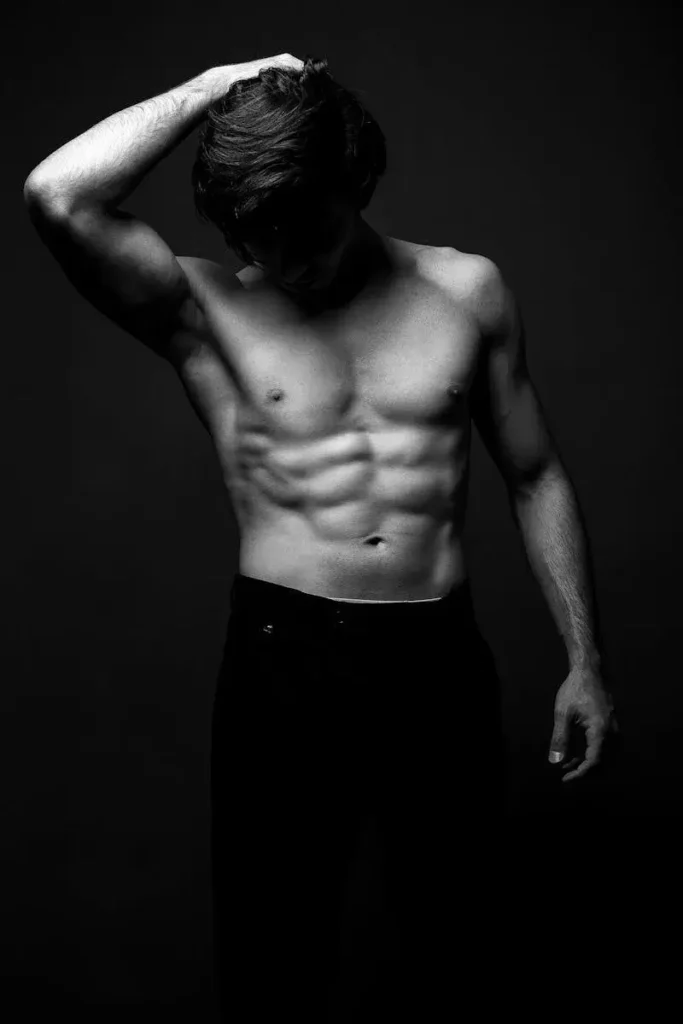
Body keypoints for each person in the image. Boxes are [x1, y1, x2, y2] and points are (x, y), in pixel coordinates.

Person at [24, 52, 618, 1022]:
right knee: (272, 959)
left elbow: (534, 472)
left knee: (460, 947)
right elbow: (56, 193)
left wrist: (584, 661)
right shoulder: (207, 310)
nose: (292, 267)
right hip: (282, 656)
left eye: (313, 237)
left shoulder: (466, 292)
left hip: (435, 657)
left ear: (356, 184)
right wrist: (212, 87)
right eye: (264, 245)